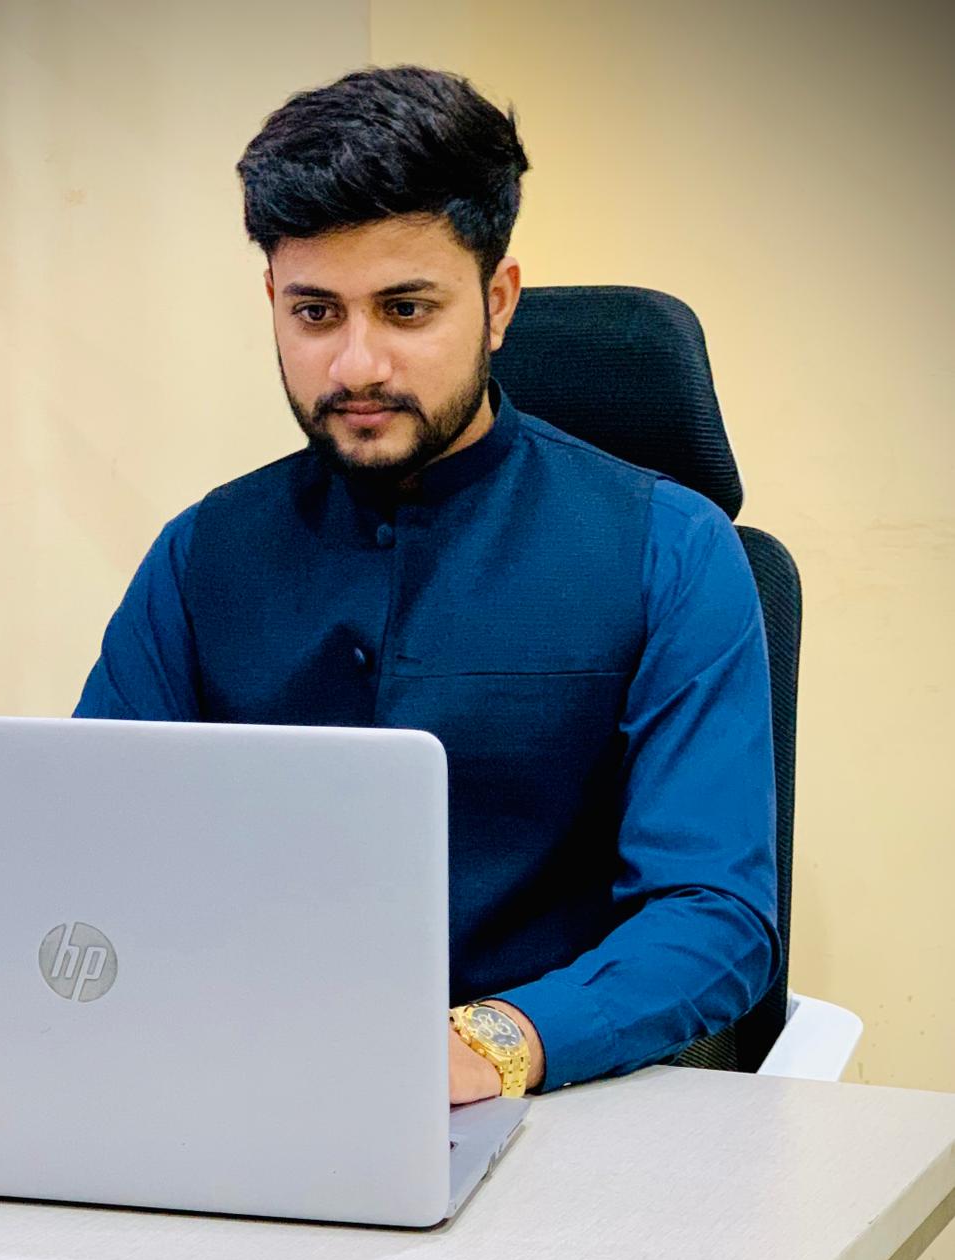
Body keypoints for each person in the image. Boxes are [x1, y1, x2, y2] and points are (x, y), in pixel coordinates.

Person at [75, 65, 780, 1103]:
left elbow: (715, 917)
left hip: (559, 1097)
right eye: (316, 313)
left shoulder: (671, 550)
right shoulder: (201, 553)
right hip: (247, 1084)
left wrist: (498, 1042)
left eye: (405, 309)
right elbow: (89, 847)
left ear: (497, 302)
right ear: (272, 301)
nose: (356, 364)